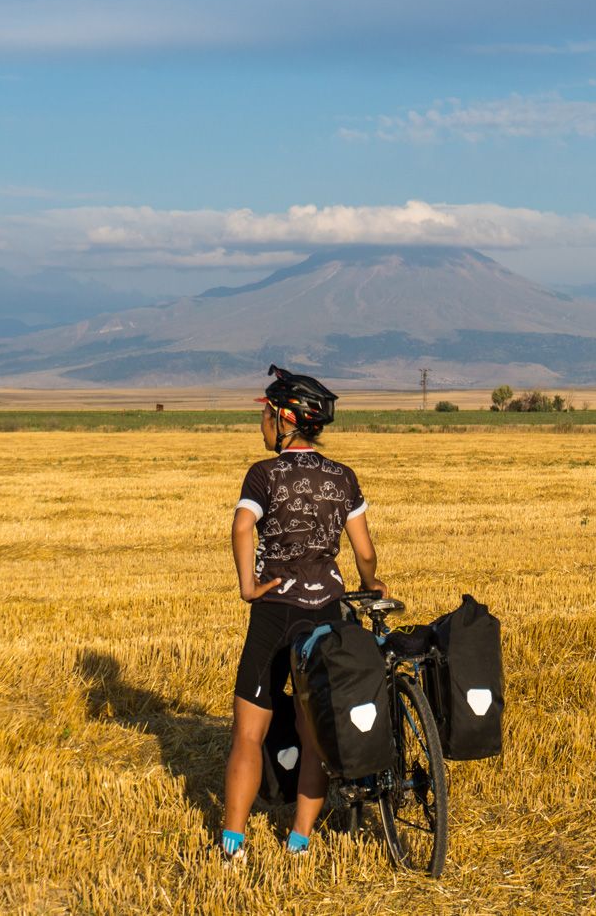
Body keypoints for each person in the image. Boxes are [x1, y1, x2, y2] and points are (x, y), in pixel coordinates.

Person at [214, 364, 387, 863]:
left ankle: (232, 847)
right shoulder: (343, 477)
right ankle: (299, 842)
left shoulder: (263, 474)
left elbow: (243, 527)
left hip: (275, 610)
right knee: (315, 735)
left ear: (284, 418)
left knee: (249, 733)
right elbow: (366, 552)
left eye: (266, 414)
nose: (262, 424)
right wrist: (371, 583)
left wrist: (249, 585)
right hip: (327, 612)